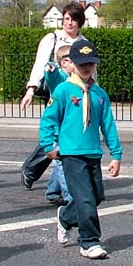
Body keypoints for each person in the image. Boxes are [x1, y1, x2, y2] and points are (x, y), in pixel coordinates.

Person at [40, 38, 122, 259]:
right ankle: (89, 242)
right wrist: (48, 145)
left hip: (93, 152)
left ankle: (66, 217)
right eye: (81, 63)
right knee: (85, 199)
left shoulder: (99, 94)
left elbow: (108, 125)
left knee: (94, 197)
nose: (86, 67)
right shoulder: (63, 91)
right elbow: (49, 119)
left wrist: (116, 154)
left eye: (91, 63)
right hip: (71, 154)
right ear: (72, 63)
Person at [20, 1, 87, 187]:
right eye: (67, 18)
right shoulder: (52, 38)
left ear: (80, 22)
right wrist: (31, 90)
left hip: (76, 96)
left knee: (64, 136)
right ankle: (36, 173)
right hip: (57, 95)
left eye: (74, 19)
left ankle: (51, 184)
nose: (70, 23)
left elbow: (90, 70)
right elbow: (40, 64)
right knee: (58, 135)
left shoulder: (83, 43)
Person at [42, 44, 74, 206]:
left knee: (59, 162)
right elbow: (52, 79)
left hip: (66, 129)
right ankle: (70, 196)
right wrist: (51, 69)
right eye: (73, 61)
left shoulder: (74, 79)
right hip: (58, 130)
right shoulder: (61, 77)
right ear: (64, 63)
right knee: (62, 162)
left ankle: (52, 191)